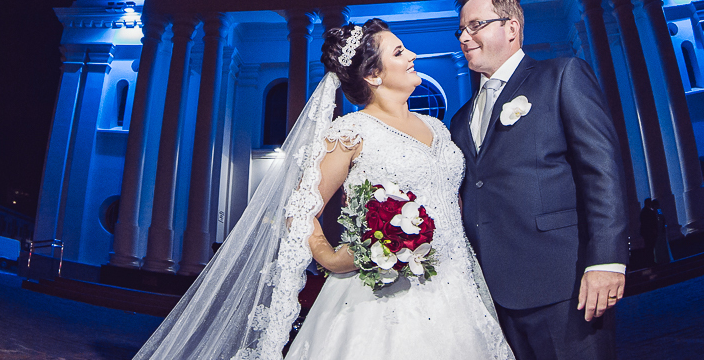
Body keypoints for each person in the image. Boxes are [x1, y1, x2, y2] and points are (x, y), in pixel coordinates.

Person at [132, 19, 513, 360]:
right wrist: (329, 257)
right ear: (374, 75)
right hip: (387, 294)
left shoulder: (438, 128)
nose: (412, 54)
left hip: (459, 283)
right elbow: (299, 207)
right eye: (399, 51)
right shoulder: (351, 132)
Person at [450, 0, 629, 360]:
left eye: (475, 25)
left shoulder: (562, 75)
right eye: (461, 30)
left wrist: (607, 261)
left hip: (565, 283)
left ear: (511, 28)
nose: (465, 37)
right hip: (493, 293)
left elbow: (602, 171)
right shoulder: (460, 118)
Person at [639, 199, 658, 267]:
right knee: (650, 247)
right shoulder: (647, 212)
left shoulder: (644, 212)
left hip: (647, 232)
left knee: (649, 247)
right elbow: (650, 222)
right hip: (649, 232)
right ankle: (651, 261)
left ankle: (651, 261)